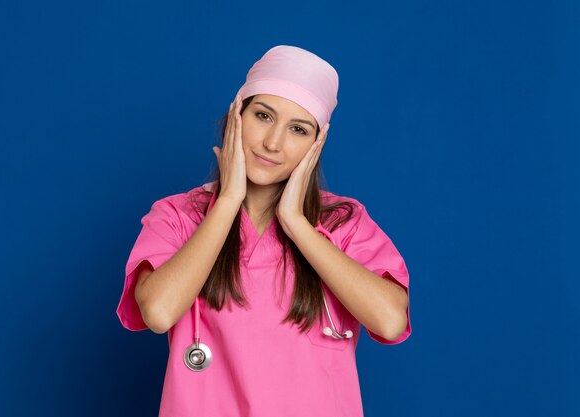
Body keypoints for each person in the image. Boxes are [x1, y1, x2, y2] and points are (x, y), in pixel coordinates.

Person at [116, 45, 411, 417]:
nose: (273, 143)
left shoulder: (343, 222)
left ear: (316, 145)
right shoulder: (177, 215)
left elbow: (389, 319)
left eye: (298, 130)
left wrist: (297, 223)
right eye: (263, 116)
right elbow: (158, 312)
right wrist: (227, 202)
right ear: (235, 115)